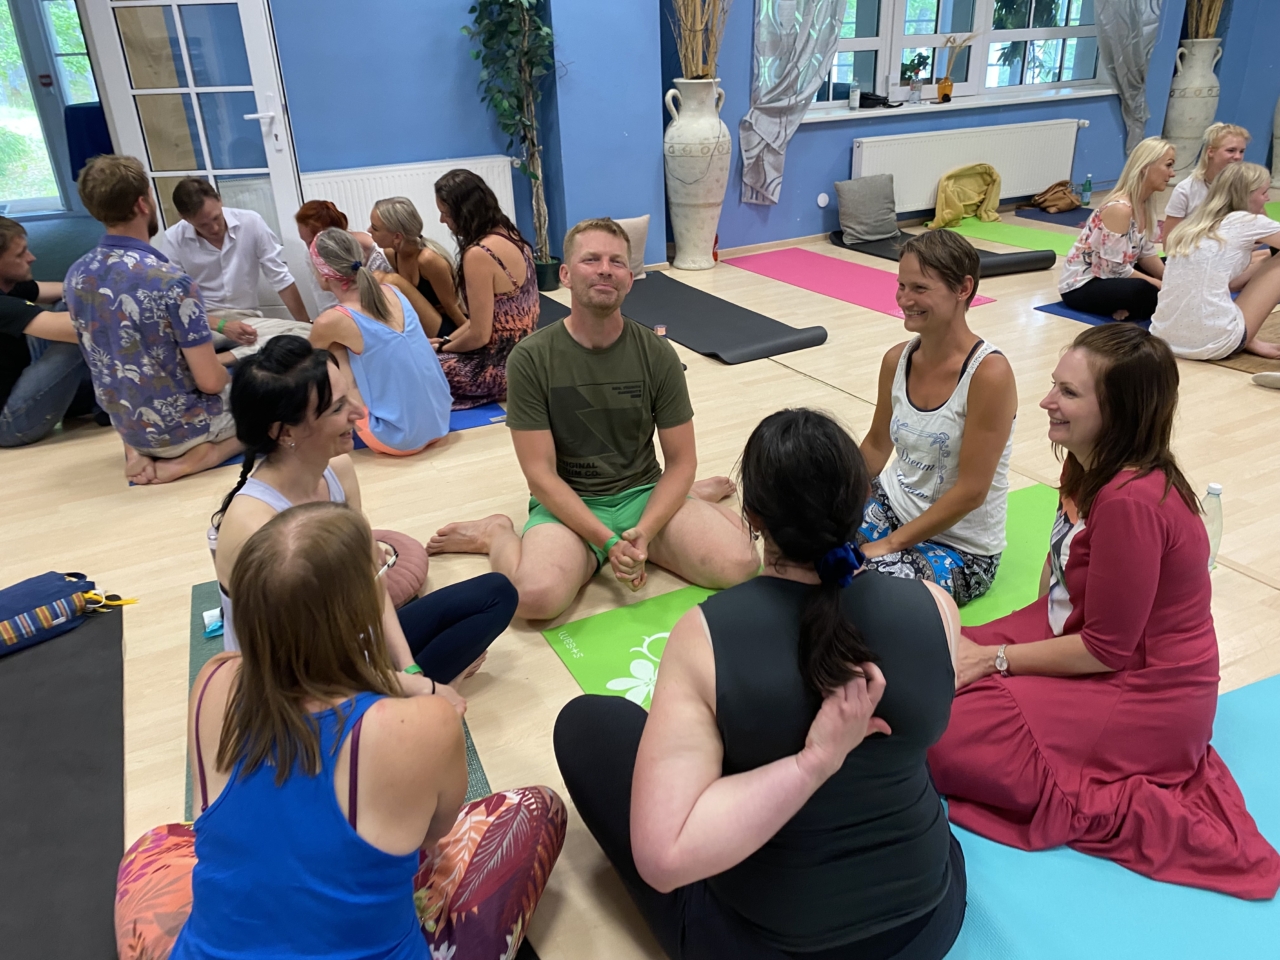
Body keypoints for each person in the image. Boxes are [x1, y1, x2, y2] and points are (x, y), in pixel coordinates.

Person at [554, 408, 966, 960]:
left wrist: (813, 763)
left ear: (751, 519)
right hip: (928, 927)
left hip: (762, 945)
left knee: (586, 724)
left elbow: (665, 859)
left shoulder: (704, 636)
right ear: (864, 501)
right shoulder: (936, 605)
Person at [116, 502, 567, 960]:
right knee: (537, 808)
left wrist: (409, 681)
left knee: (158, 844)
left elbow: (306, 675)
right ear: (361, 609)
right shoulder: (428, 723)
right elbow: (431, 840)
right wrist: (424, 689)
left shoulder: (214, 679)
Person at [929, 323, 1280, 900]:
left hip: (1143, 686)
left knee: (940, 732)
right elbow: (1060, 574)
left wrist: (994, 659)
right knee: (925, 655)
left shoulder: (1131, 501)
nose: (1046, 401)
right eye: (1054, 385)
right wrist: (1001, 647)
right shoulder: (1087, 462)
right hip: (1075, 628)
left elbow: (1107, 649)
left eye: (1067, 392)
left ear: (1116, 412)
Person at [428, 218, 759, 621]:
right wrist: (608, 543)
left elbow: (682, 461)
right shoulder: (531, 358)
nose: (605, 269)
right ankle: (495, 533)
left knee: (743, 565)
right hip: (569, 504)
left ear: (629, 280)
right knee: (533, 599)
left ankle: (683, 500)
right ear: (565, 275)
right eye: (591, 259)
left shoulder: (657, 354)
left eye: (617, 262)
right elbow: (540, 475)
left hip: (642, 494)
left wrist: (645, 532)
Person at [209, 334, 514, 692]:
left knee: (497, 593)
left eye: (350, 394)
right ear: (285, 431)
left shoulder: (336, 469)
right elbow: (302, 669)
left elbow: (371, 578)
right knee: (428, 693)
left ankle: (407, 696)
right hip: (299, 686)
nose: (360, 411)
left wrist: (410, 669)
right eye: (338, 407)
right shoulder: (252, 527)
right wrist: (421, 689)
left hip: (352, 644)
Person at [858, 230, 1017, 606]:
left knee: (862, 587)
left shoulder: (989, 374)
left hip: (960, 547)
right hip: (892, 507)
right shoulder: (896, 359)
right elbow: (877, 446)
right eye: (901, 286)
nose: (904, 299)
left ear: (963, 288)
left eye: (920, 288)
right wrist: (830, 496)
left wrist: (888, 545)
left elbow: (972, 491)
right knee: (808, 541)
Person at [65, 155, 243, 484]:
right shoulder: (171, 281)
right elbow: (211, 382)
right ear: (142, 203)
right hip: (185, 429)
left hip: (128, 427)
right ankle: (208, 454)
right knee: (279, 401)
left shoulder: (76, 275)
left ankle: (136, 453)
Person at [307, 228, 452, 454]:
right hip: (441, 421)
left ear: (324, 275)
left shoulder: (330, 321)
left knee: (333, 351)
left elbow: (304, 371)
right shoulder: (394, 291)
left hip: (397, 438)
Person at [163, 178, 311, 357]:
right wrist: (222, 326)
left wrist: (305, 324)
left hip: (246, 319)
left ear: (220, 200)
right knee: (169, 344)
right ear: (184, 218)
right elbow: (175, 301)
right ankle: (236, 356)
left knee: (306, 332)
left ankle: (221, 360)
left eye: (216, 217)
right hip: (204, 322)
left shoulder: (251, 222)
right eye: (203, 225)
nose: (214, 228)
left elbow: (281, 279)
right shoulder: (173, 238)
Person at [431, 169, 539, 409]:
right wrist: (444, 341)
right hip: (527, 359)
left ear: (463, 212)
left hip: (501, 368)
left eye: (445, 213)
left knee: (414, 369)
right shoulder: (513, 236)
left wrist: (441, 348)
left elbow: (479, 335)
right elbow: (484, 321)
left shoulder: (479, 254)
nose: (442, 221)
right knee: (425, 355)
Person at [1152, 162, 1280, 360]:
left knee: (1265, 258)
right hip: (1214, 343)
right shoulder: (1247, 221)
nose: (1268, 198)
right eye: (1264, 193)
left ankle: (1246, 337)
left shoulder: (1193, 226)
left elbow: (1230, 283)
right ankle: (1241, 336)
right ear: (1246, 195)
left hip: (1163, 338)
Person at [0, 217, 101, 446]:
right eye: (20, 254)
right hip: (8, 422)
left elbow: (70, 290)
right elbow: (79, 329)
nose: (31, 258)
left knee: (70, 302)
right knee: (76, 334)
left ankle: (103, 397)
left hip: (20, 378)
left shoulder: (8, 285)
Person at [1059, 137, 1177, 321]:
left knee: (1174, 264)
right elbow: (1114, 270)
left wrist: (1172, 281)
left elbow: (1146, 253)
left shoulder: (1145, 205)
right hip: (1085, 284)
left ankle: (1128, 308)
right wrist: (1161, 285)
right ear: (1145, 167)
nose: (1172, 173)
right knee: (1145, 290)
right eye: (1168, 165)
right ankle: (1130, 307)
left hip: (1113, 274)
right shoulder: (1120, 209)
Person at [294, 200, 441, 325]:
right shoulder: (313, 256)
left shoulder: (385, 257)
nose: (310, 249)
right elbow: (325, 304)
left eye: (311, 242)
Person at [368, 196, 466, 338]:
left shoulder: (428, 260)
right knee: (378, 277)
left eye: (375, 228)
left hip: (449, 328)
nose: (369, 230)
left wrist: (474, 341)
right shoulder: (392, 254)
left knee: (388, 280)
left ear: (397, 237)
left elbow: (453, 308)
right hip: (423, 325)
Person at [1162, 122, 1250, 240]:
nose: (1238, 157)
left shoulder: (1246, 187)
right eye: (1231, 150)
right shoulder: (1186, 189)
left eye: (1241, 151)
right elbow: (1169, 238)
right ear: (1211, 151)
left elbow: (1261, 229)